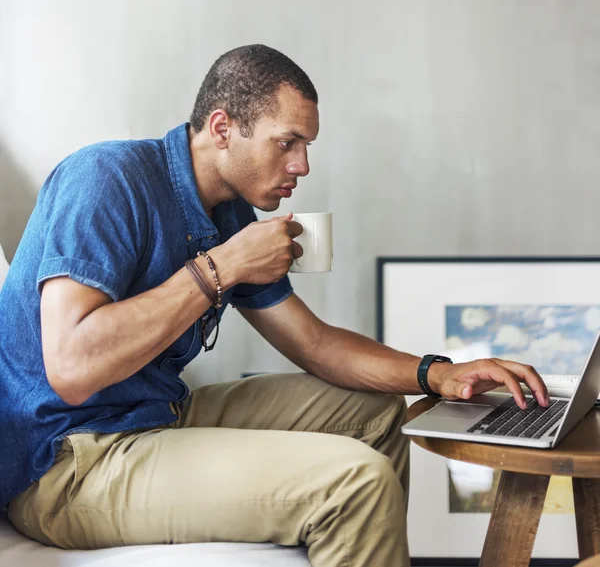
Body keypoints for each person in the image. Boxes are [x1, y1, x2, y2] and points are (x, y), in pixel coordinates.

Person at [0, 44, 549, 567]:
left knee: (375, 414)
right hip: (66, 461)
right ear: (222, 129)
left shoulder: (227, 214)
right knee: (356, 480)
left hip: (155, 413)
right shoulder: (107, 178)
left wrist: (438, 373)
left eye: (307, 145)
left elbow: (313, 342)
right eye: (287, 142)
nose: (303, 165)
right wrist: (223, 267)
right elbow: (72, 368)